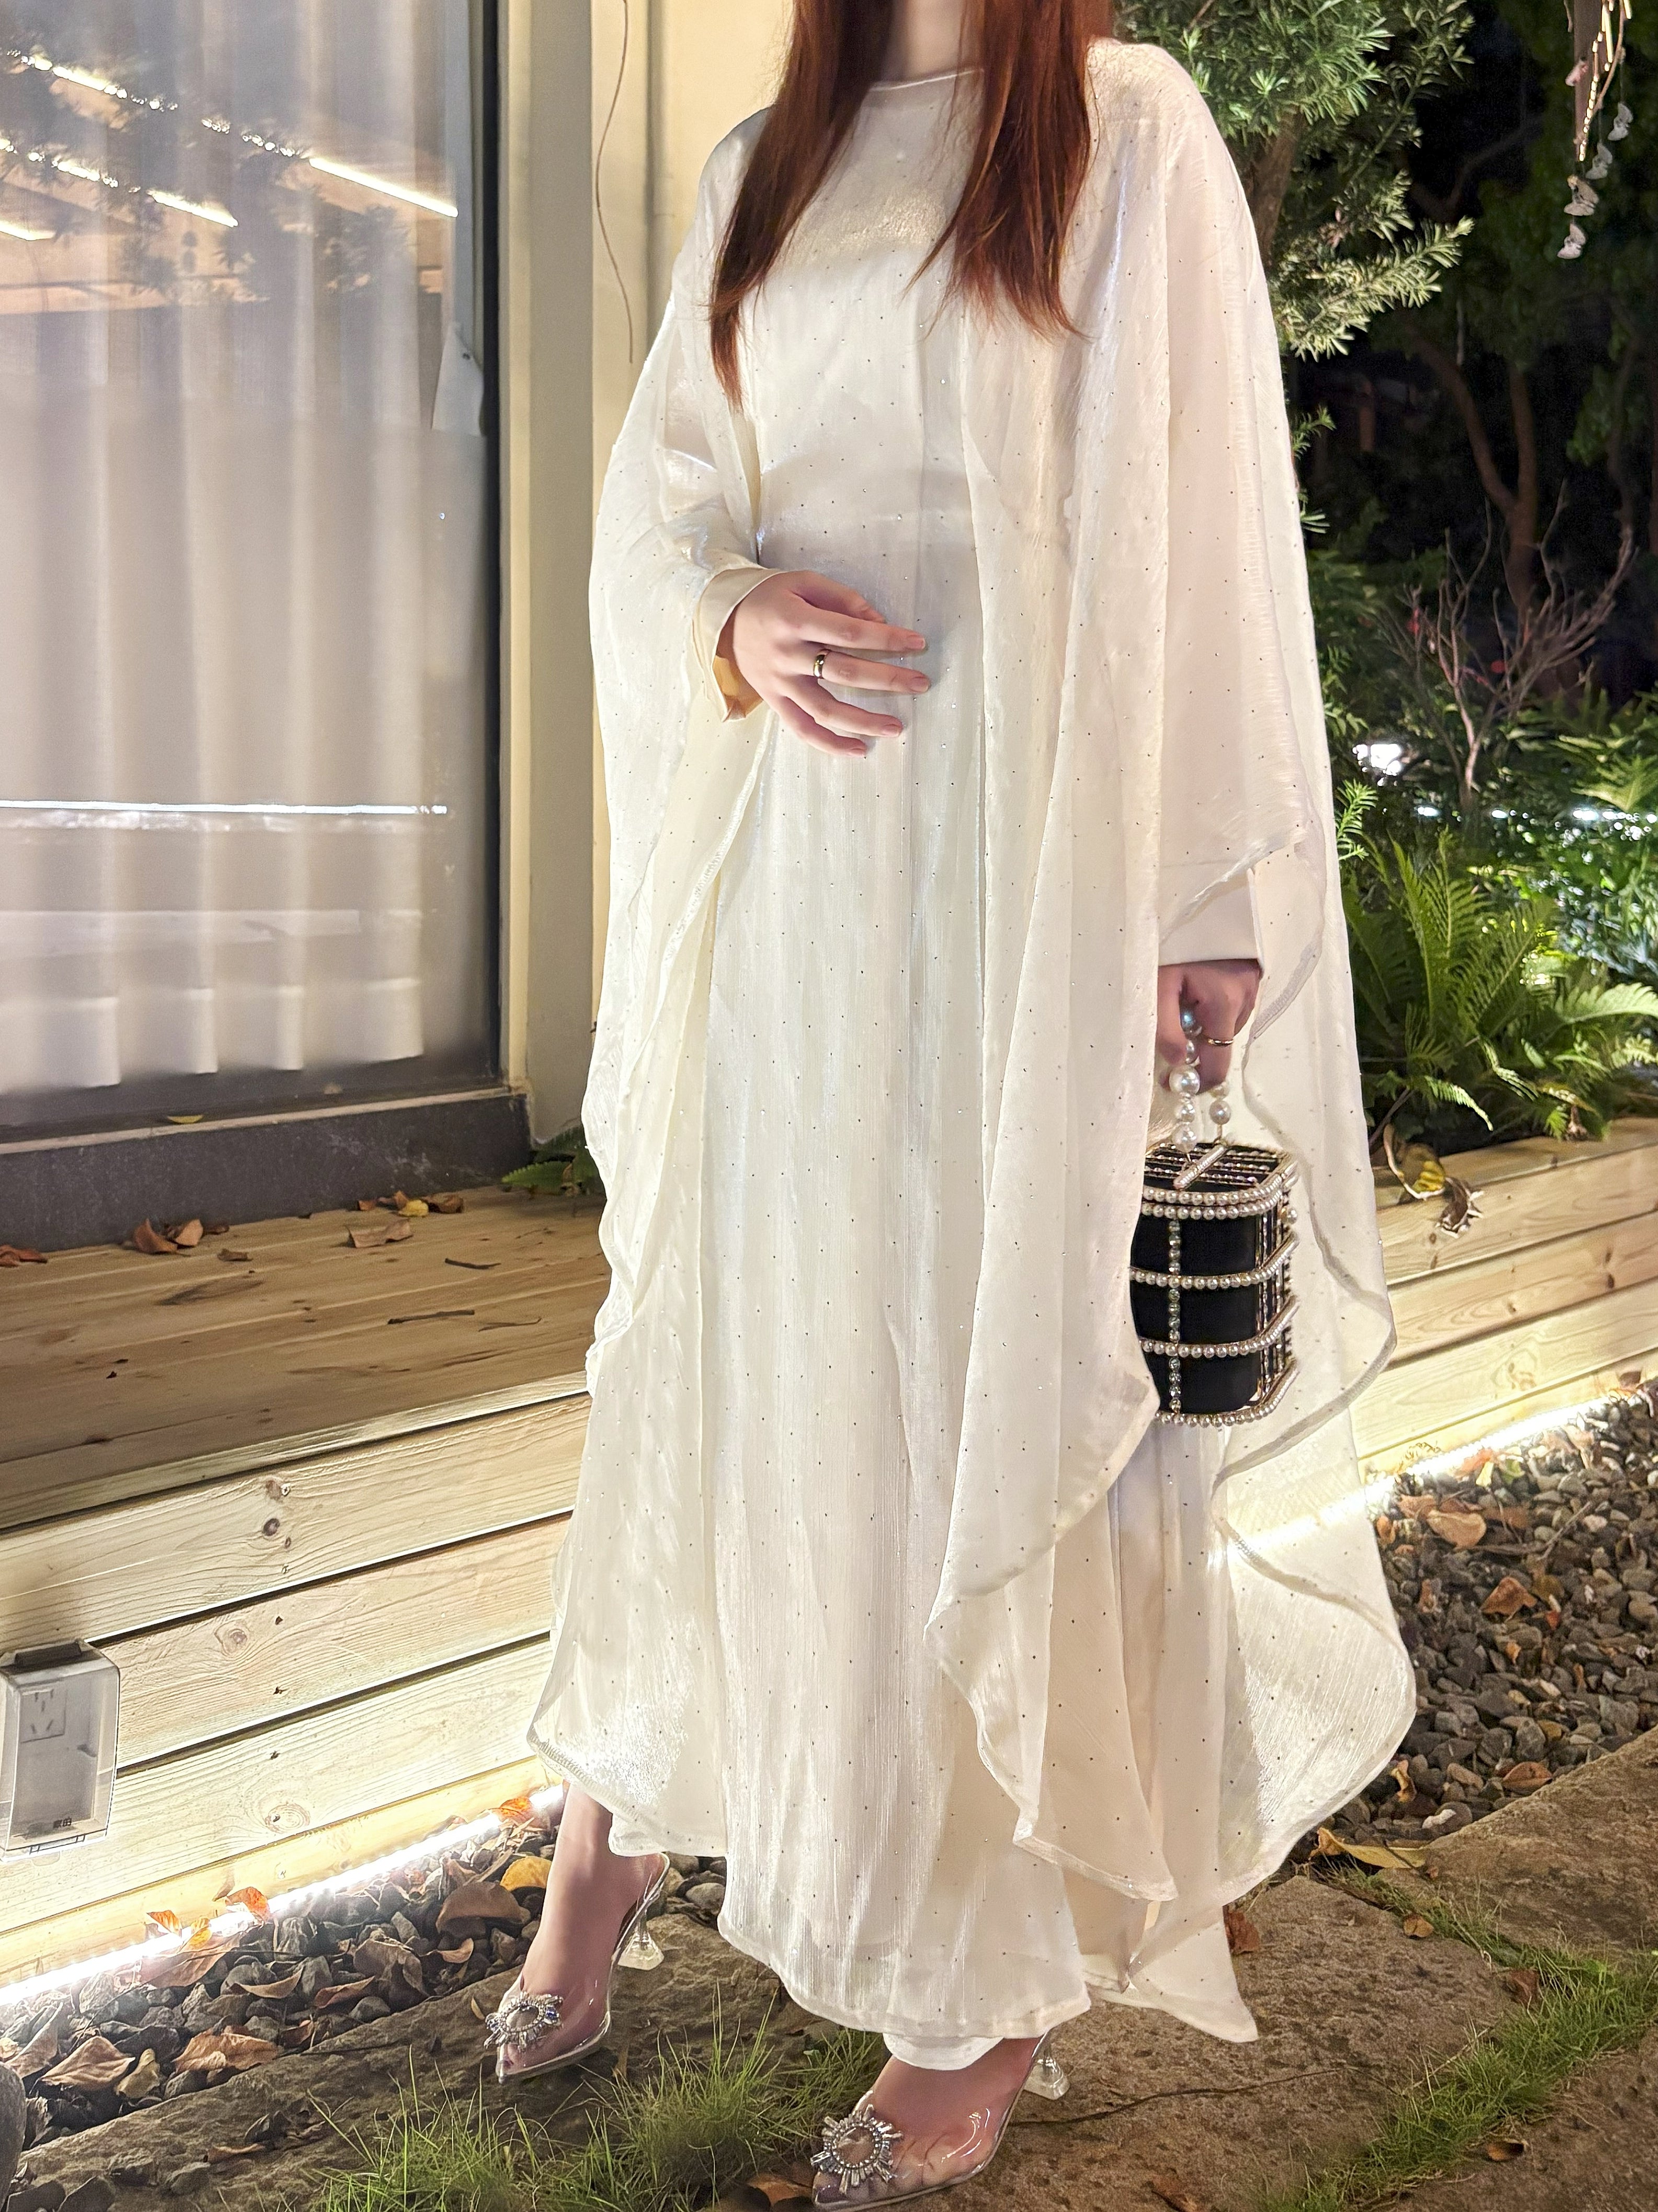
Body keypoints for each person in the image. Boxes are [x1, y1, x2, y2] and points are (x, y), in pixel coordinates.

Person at [493, 0, 1414, 2201]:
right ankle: (622, 1820)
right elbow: (660, 504)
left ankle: (978, 1975)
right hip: (799, 888)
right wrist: (731, 620)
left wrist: (1205, 892)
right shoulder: (759, 168)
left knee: (989, 1355)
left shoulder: (1120, 123)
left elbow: (1204, 511)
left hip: (1031, 875)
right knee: (738, 1348)